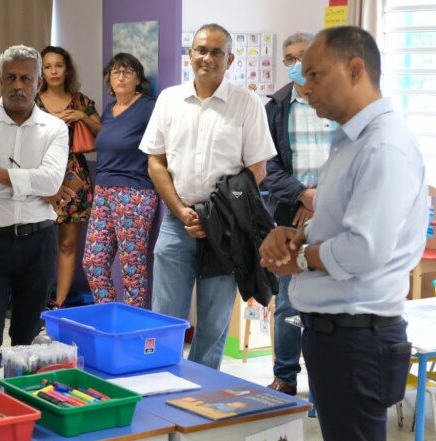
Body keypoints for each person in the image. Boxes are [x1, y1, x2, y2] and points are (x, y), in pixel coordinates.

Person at [259, 26, 427, 441]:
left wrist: (301, 259)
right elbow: (339, 226)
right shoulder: (349, 140)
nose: (304, 87)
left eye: (314, 73)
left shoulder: (384, 147)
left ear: (356, 70)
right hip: (336, 333)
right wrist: (293, 233)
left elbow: (365, 247)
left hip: (358, 337)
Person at [139, 23, 276, 369]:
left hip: (226, 228)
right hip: (176, 222)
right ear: (190, 55)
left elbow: (257, 169)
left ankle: (199, 398)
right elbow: (155, 162)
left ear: (229, 59)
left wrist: (219, 213)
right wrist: (183, 210)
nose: (207, 58)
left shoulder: (247, 104)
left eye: (216, 52)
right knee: (165, 318)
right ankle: (161, 385)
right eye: (201, 50)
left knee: (214, 324)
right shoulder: (170, 100)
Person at [0, 45, 68, 349]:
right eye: (10, 78)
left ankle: (19, 398)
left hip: (39, 243)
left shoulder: (55, 128)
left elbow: (52, 181)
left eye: (25, 78)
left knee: (27, 339)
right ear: (0, 79)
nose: (18, 85)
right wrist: (36, 187)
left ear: (38, 82)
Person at [262, 32, 336, 396]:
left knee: (329, 299)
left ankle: (325, 377)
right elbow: (268, 167)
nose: (295, 64)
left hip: (334, 213)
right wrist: (304, 195)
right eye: (288, 58)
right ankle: (286, 375)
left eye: (301, 56)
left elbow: (348, 158)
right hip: (290, 214)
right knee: (288, 301)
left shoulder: (335, 102)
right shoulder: (276, 106)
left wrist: (323, 199)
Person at [83, 53, 157, 307]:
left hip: (134, 192)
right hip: (103, 190)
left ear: (138, 78)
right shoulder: (109, 109)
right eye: (115, 72)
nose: (121, 77)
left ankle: (132, 322)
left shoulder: (148, 106)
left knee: (131, 265)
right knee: (93, 262)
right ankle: (108, 314)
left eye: (127, 72)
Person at [35, 45, 101, 309]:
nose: (53, 71)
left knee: (68, 244)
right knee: (37, 243)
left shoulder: (81, 101)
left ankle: (59, 304)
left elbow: (104, 135)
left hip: (75, 177)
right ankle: (34, 301)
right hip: (40, 174)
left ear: (67, 69)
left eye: (58, 65)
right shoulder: (32, 101)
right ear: (41, 70)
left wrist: (81, 116)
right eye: (48, 66)